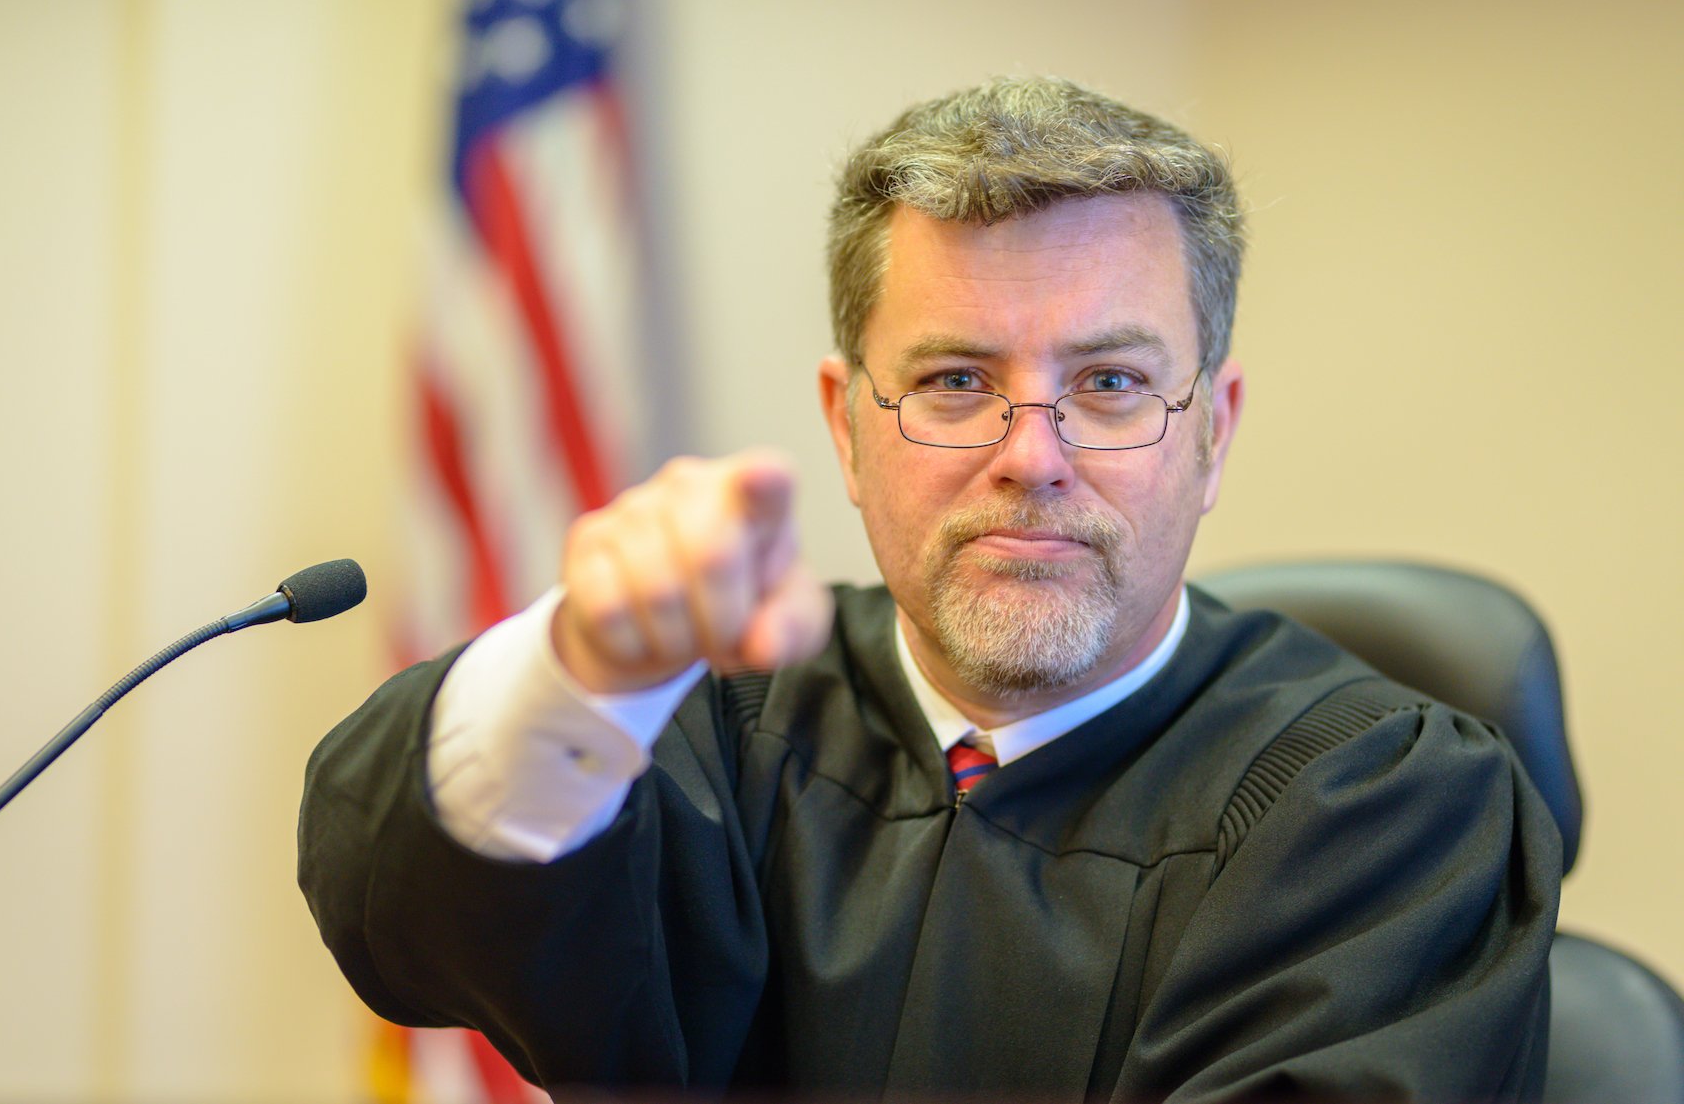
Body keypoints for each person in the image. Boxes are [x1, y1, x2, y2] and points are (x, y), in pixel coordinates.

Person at [299, 77, 1561, 1101]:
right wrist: (581, 671)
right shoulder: (714, 721)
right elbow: (401, 904)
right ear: (847, 428)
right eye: (957, 380)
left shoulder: (1385, 804)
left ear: (1212, 433)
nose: (1032, 454)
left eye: (1112, 383)